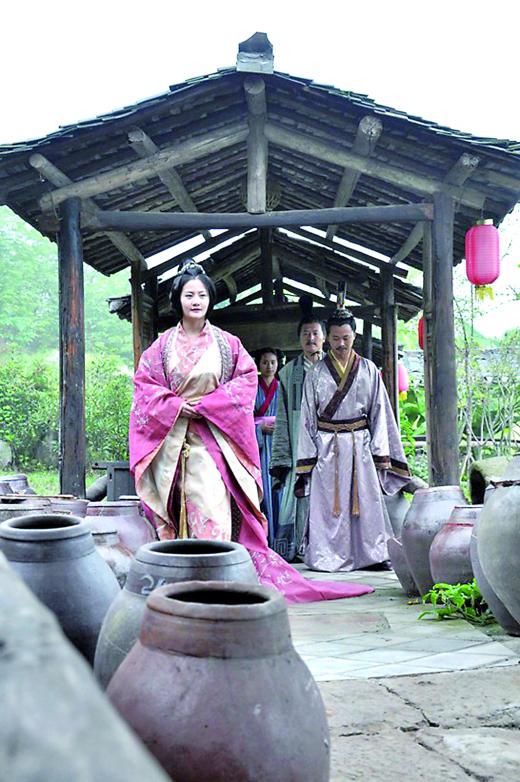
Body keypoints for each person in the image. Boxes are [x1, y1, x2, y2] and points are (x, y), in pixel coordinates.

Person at [129, 260, 373, 603]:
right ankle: (186, 581)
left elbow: (246, 381)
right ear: (178, 300)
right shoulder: (161, 348)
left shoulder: (226, 344)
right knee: (176, 513)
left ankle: (216, 581)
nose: (196, 301)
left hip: (212, 441)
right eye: (189, 295)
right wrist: (175, 406)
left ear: (210, 299)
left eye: (202, 295)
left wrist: (208, 406)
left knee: (213, 509)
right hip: (172, 443)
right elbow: (144, 388)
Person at [296, 306, 411, 572]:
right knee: (329, 505)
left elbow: (380, 412)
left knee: (366, 501)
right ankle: (327, 555)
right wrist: (308, 457)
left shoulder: (368, 369)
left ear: (354, 336)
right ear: (327, 338)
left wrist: (381, 452)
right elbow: (307, 418)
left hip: (360, 444)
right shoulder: (315, 373)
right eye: (335, 338)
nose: (341, 344)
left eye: (346, 338)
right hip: (327, 446)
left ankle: (372, 554)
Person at [269, 314, 325, 561]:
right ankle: (294, 549)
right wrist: (281, 455)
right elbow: (282, 418)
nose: (311, 338)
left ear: (324, 338)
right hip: (298, 446)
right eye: (305, 334)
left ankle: (325, 548)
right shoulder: (287, 373)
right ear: (299, 339)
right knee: (297, 497)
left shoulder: (334, 368)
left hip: (328, 446)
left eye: (315, 333)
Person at [254, 348, 282, 546]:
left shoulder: (283, 387)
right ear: (258, 364)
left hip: (279, 442)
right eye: (265, 362)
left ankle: (280, 539)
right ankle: (264, 540)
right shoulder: (251, 388)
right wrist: (259, 428)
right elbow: (243, 416)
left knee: (279, 488)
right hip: (259, 445)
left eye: (273, 362)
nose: (269, 366)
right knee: (262, 488)